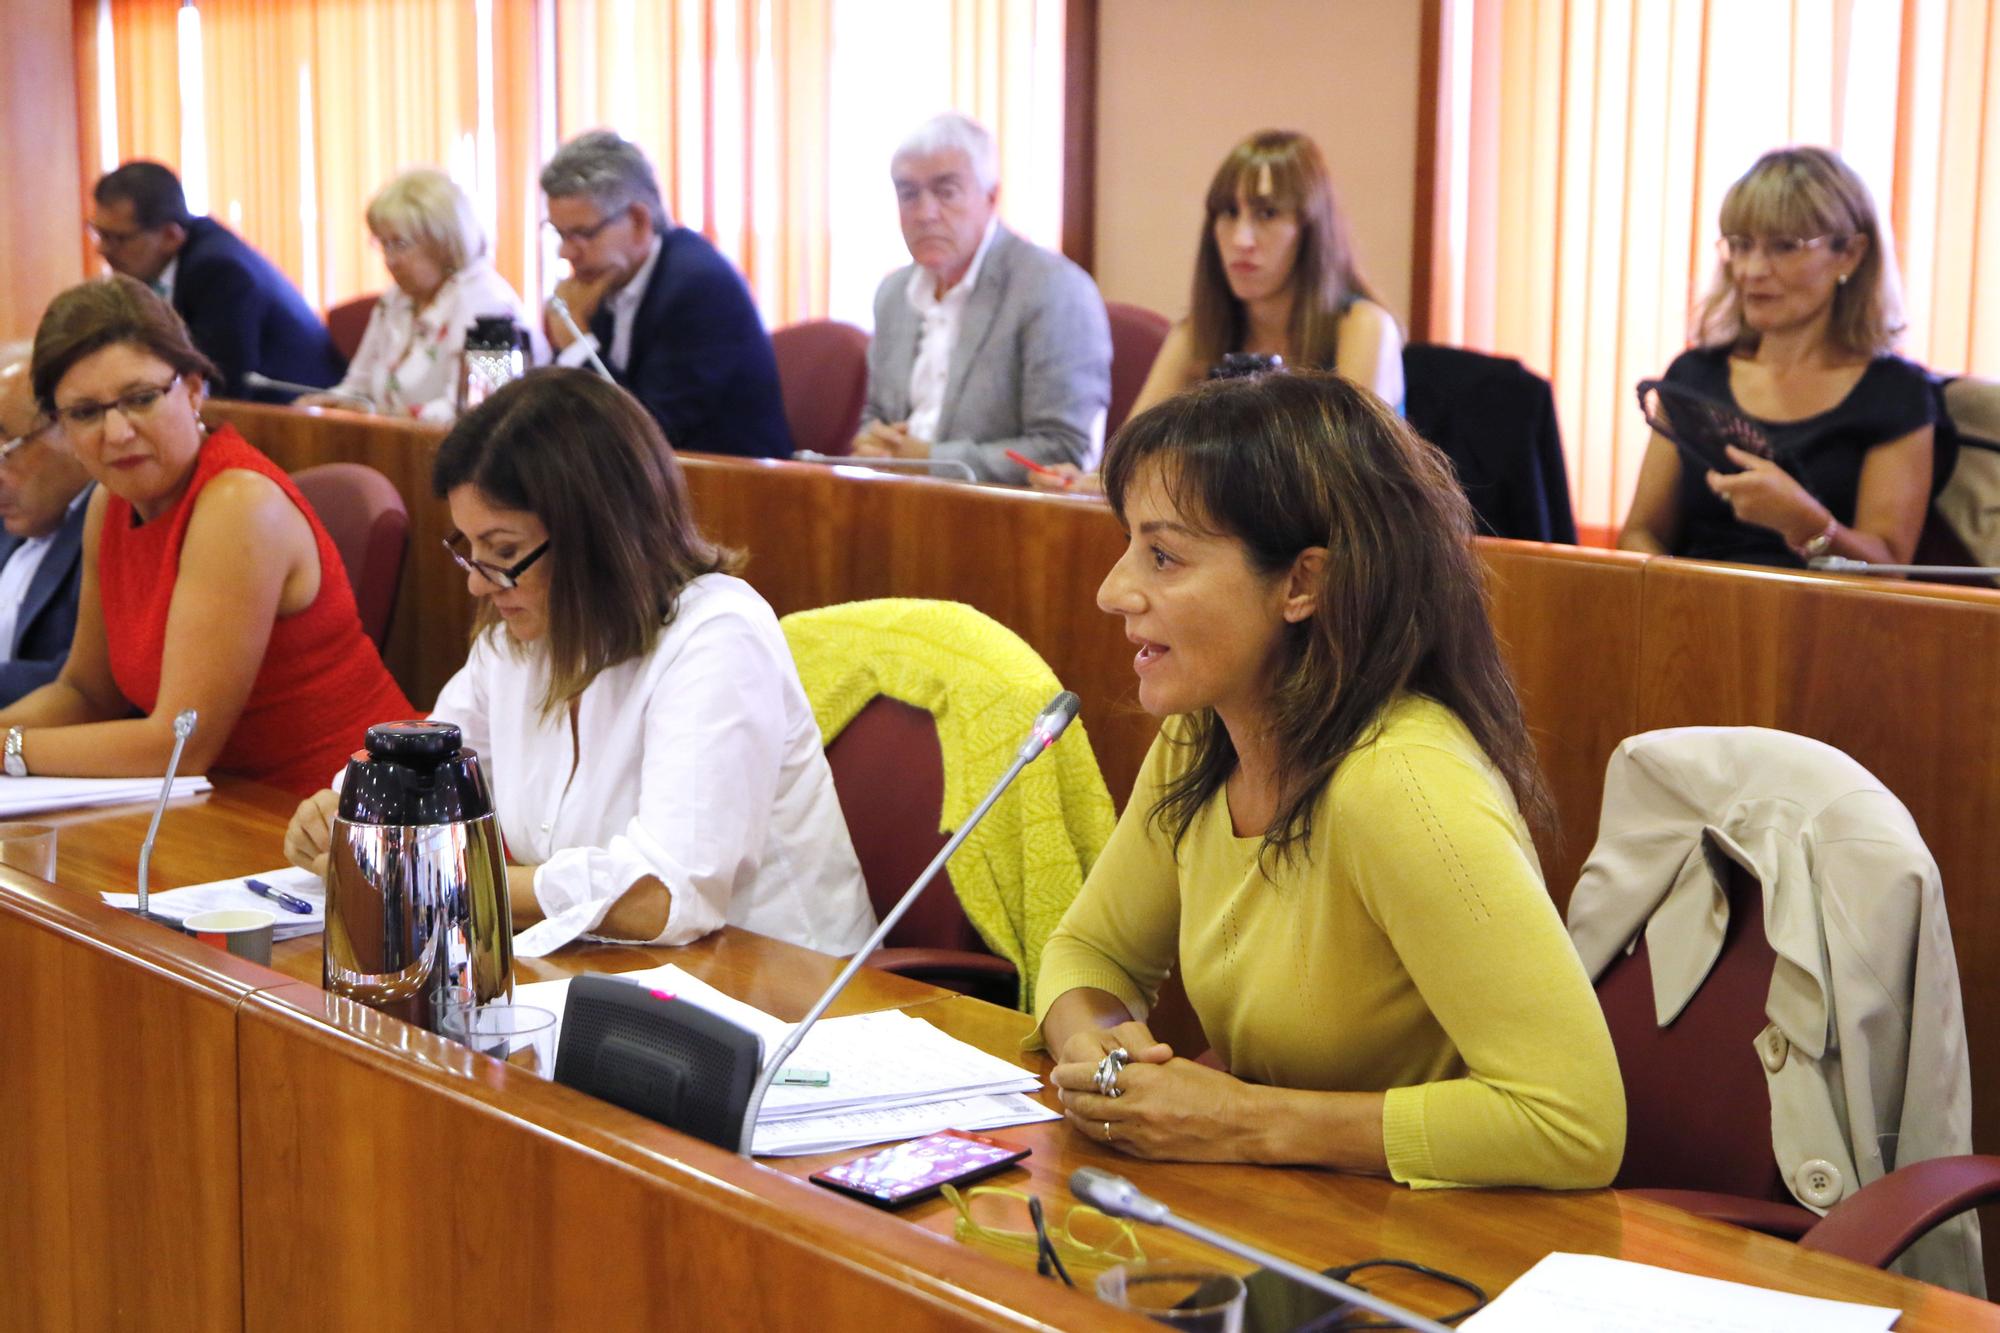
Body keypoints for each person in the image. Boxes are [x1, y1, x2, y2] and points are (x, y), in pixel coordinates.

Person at [1034, 370, 1624, 1188]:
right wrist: (1094, 1048)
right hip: (1288, 1209)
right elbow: (1089, 949)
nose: (1113, 590)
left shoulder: (1402, 785)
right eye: (1129, 543)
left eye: (1163, 555)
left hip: (1434, 1252)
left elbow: (1573, 1119)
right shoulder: (1203, 734)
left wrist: (1241, 1122)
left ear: (1303, 583)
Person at [281, 369, 873, 957]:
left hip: (787, 992)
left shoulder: (717, 637)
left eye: (505, 552)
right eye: (471, 549)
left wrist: (443, 880)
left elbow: (662, 897)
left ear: (597, 534)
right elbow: (427, 772)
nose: (479, 587)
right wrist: (350, 816)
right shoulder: (515, 638)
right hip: (620, 977)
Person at [1, 277, 413, 793]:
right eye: (85, 413)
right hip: (217, 809)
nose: (117, 433)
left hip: (346, 813)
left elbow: (179, 746)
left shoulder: (237, 504)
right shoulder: (110, 502)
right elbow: (86, 691)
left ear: (193, 388)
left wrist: (8, 750)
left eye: (141, 398)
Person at [1032, 130, 1403, 494]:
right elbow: (1127, 463)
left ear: (1311, 229)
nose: (1241, 239)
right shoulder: (1196, 334)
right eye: (1228, 213)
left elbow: (1348, 485)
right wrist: (1081, 484)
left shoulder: (1364, 327)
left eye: (1267, 214)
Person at [1618, 147, 1935, 568]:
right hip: (1690, 618)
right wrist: (1685, 597)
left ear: (1851, 254)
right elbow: (1640, 533)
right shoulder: (1694, 375)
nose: (1751, 269)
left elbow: (1891, 570)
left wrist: (1809, 524)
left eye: (1784, 247)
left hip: (1828, 626)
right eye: (1741, 245)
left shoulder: (1897, 393)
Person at [852, 112, 1112, 485]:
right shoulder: (893, 294)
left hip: (1004, 520)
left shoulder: (1053, 289)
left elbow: (1064, 449)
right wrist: (871, 444)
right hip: (895, 505)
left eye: (947, 191)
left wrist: (929, 460)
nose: (925, 213)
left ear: (991, 197)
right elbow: (876, 415)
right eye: (908, 194)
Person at [539, 131, 792, 459]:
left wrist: (577, 342)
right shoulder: (605, 279)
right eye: (560, 234)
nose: (566, 252)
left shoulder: (699, 288)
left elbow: (648, 434)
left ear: (639, 220)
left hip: (733, 494)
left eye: (583, 234)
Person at [298, 168, 545, 421]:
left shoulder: (492, 308)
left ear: (443, 242)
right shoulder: (395, 301)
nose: (389, 259)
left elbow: (486, 411)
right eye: (382, 244)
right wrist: (328, 404)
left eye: (399, 244)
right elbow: (357, 388)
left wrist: (382, 415)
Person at [91, 161, 344, 402]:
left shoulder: (219, 271)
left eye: (118, 238)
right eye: (98, 233)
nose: (102, 249)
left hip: (300, 417)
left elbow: (220, 384)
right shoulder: (161, 265)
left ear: (171, 236)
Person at [0, 362, 93, 706]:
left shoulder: (118, 524)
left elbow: (89, 683)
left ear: (70, 431)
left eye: (5, 452)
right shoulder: (17, 515)